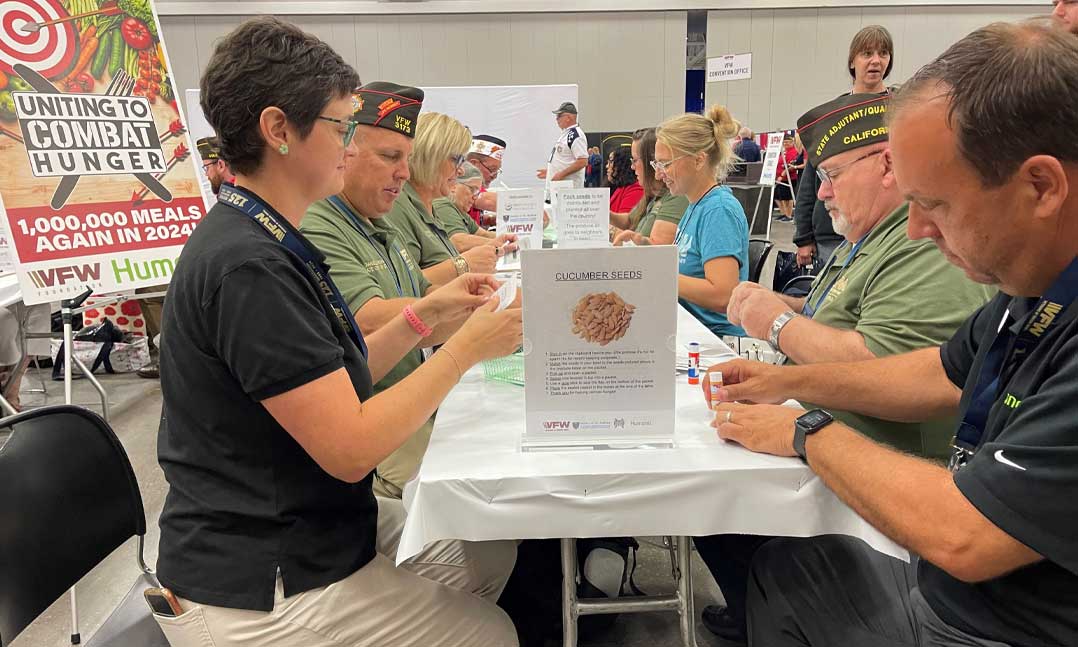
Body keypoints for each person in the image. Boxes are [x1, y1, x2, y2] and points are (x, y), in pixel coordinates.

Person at [704, 20, 1078, 647]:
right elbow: (937, 372)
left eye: (935, 205)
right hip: (961, 593)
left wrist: (805, 431)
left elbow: (969, 534)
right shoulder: (1030, 286)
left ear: (1040, 186)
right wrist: (783, 381)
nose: (917, 230)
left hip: (997, 626)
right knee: (784, 570)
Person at [154, 18, 521, 647]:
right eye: (341, 127)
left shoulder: (266, 234)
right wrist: (464, 349)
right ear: (278, 130)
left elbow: (331, 376)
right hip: (258, 577)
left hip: (304, 523)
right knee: (490, 633)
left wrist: (424, 316)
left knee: (485, 552)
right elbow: (350, 445)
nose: (351, 147)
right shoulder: (248, 265)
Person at [694, 93, 994, 644]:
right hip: (849, 453)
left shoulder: (915, 246)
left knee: (711, 501)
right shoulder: (865, 240)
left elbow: (888, 366)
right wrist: (783, 379)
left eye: (831, 174)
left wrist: (794, 389)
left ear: (885, 165)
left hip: (888, 493)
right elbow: (923, 369)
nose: (822, 192)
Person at [794, 25, 894, 268]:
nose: (875, 61)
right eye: (867, 53)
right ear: (853, 62)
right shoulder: (833, 115)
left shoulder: (899, 109)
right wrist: (803, 237)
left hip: (885, 228)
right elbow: (811, 178)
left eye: (883, 53)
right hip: (833, 229)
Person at [654, 105, 749, 337]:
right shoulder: (697, 205)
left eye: (666, 164)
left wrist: (657, 273)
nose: (659, 174)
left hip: (713, 338)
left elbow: (723, 294)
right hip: (695, 331)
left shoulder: (718, 211)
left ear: (698, 160)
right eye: (656, 165)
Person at [381, 110, 500, 285]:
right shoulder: (397, 206)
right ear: (432, 157)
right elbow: (403, 285)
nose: (460, 170)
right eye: (457, 160)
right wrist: (463, 265)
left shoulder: (428, 205)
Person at [611, 127, 688, 246]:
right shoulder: (654, 195)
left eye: (635, 160)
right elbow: (630, 221)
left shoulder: (676, 196)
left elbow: (658, 249)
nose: (632, 167)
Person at [436, 164, 515, 253]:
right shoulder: (442, 205)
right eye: (472, 190)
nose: (475, 197)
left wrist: (514, 237)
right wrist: (503, 243)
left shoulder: (459, 210)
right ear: (454, 185)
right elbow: (459, 242)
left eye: (477, 192)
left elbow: (483, 234)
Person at [537, 101, 588, 188]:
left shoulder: (575, 135)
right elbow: (565, 160)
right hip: (560, 188)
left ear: (568, 117)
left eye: (559, 116)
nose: (556, 119)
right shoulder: (567, 134)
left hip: (567, 190)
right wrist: (550, 172)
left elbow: (582, 161)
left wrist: (561, 174)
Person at [467, 134, 505, 225]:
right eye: (492, 169)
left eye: (497, 171)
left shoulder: (477, 186)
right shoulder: (462, 185)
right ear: (474, 164)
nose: (494, 176)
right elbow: (486, 200)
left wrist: (489, 220)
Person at [607, 147, 643, 215]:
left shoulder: (635, 189)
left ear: (622, 164)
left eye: (611, 162)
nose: (607, 166)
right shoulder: (617, 186)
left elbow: (625, 221)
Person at [773, 132, 799, 221]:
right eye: (784, 142)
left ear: (792, 142)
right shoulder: (784, 152)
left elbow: (790, 166)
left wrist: (782, 175)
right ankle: (784, 213)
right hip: (781, 178)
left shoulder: (793, 152)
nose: (785, 144)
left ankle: (789, 215)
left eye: (788, 142)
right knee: (781, 197)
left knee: (788, 197)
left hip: (789, 178)